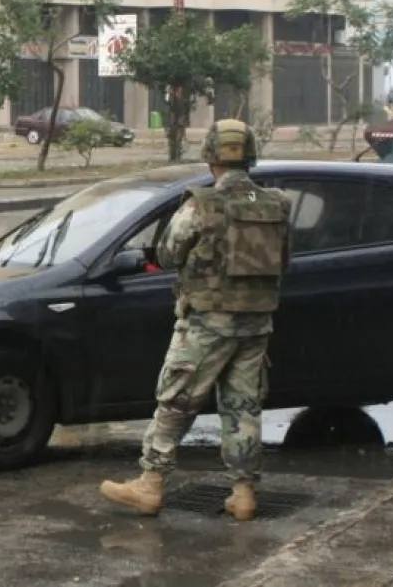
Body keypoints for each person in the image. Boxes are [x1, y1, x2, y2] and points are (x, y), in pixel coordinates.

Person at [100, 119, 292, 522]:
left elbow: (169, 252)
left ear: (210, 157)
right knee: (243, 407)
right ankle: (243, 495)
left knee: (175, 400)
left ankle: (150, 484)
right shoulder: (276, 204)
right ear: (251, 156)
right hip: (257, 323)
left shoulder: (202, 205)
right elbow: (284, 261)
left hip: (207, 320)